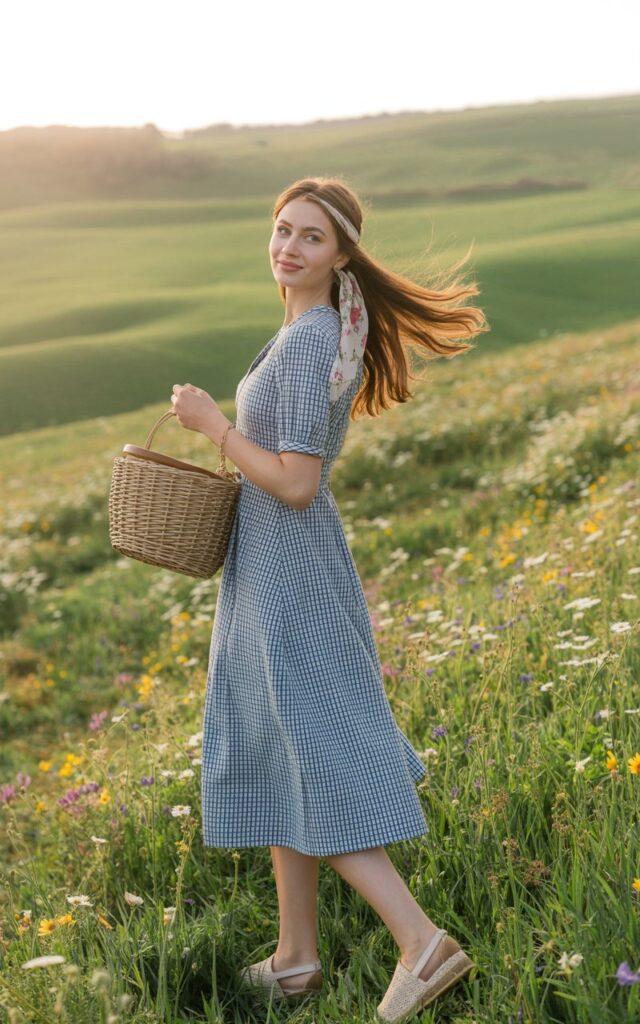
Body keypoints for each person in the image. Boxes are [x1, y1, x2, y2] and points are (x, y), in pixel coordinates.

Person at [170, 177, 488, 1021]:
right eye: (282, 229)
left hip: (292, 575)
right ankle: (297, 959)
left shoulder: (312, 342)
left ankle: (422, 944)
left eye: (311, 237)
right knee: (284, 748)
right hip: (269, 570)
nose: (289, 247)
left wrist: (213, 428)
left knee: (309, 753)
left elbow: (298, 483)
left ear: (341, 254)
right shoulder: (302, 331)